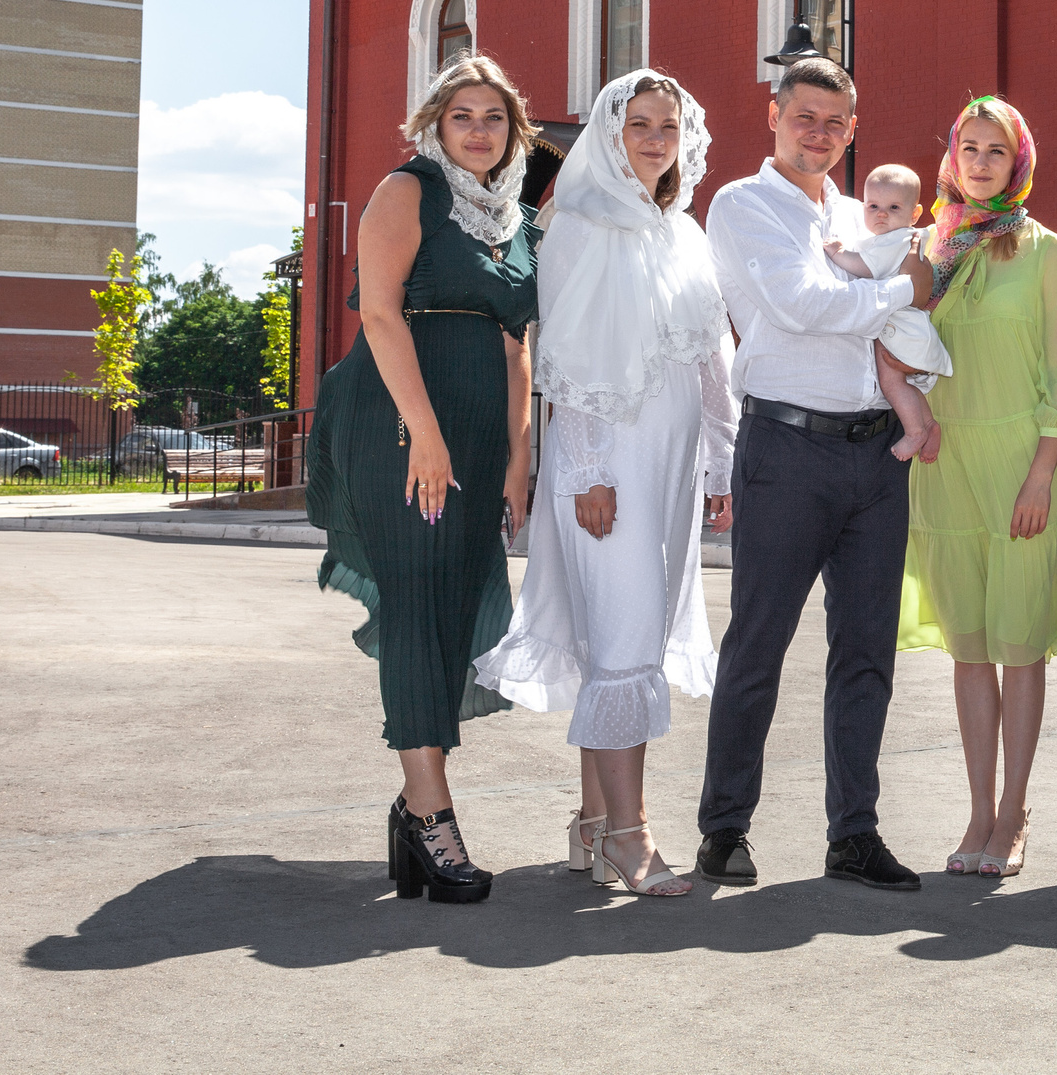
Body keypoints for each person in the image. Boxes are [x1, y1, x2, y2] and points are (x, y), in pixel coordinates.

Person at [473, 70, 735, 898]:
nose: (656, 139)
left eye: (669, 125)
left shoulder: (683, 231)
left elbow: (712, 357)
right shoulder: (579, 225)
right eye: (639, 124)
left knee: (625, 638)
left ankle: (592, 820)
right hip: (609, 466)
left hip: (671, 465)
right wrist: (585, 470)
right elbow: (566, 354)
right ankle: (631, 834)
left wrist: (722, 457)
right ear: (609, 133)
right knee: (622, 639)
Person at [306, 52, 541, 906]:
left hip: (479, 440)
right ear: (435, 124)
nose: (479, 130)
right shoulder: (407, 191)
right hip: (399, 426)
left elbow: (516, 345)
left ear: (514, 131)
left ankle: (412, 813)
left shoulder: (516, 219)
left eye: (494, 117)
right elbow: (378, 313)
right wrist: (426, 434)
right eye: (462, 115)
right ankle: (434, 816)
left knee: (453, 609)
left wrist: (519, 455)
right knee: (415, 606)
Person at [696, 56, 935, 892]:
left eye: (836, 122)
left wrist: (899, 294)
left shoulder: (857, 212)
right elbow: (802, 305)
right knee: (758, 642)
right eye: (805, 116)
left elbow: (885, 321)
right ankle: (725, 827)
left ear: (853, 128)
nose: (820, 133)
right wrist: (905, 287)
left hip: (875, 451)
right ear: (774, 115)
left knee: (866, 648)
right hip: (786, 448)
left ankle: (854, 833)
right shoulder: (742, 204)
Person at [897, 98, 1057, 880]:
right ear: (952, 157)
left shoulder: (1049, 253)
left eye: (996, 150)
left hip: (1020, 467)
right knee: (970, 646)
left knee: (1019, 643)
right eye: (969, 148)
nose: (980, 162)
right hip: (944, 463)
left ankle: (1014, 811)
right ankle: (977, 809)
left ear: (1019, 163)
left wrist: (1044, 472)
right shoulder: (929, 248)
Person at [823, 163, 950, 462]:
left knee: (891, 384)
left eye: (893, 207)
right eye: (873, 206)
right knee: (902, 383)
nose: (882, 214)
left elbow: (865, 267)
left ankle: (915, 431)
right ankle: (928, 423)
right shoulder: (905, 238)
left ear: (914, 214)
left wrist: (838, 253)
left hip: (899, 326)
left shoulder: (897, 240)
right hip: (909, 325)